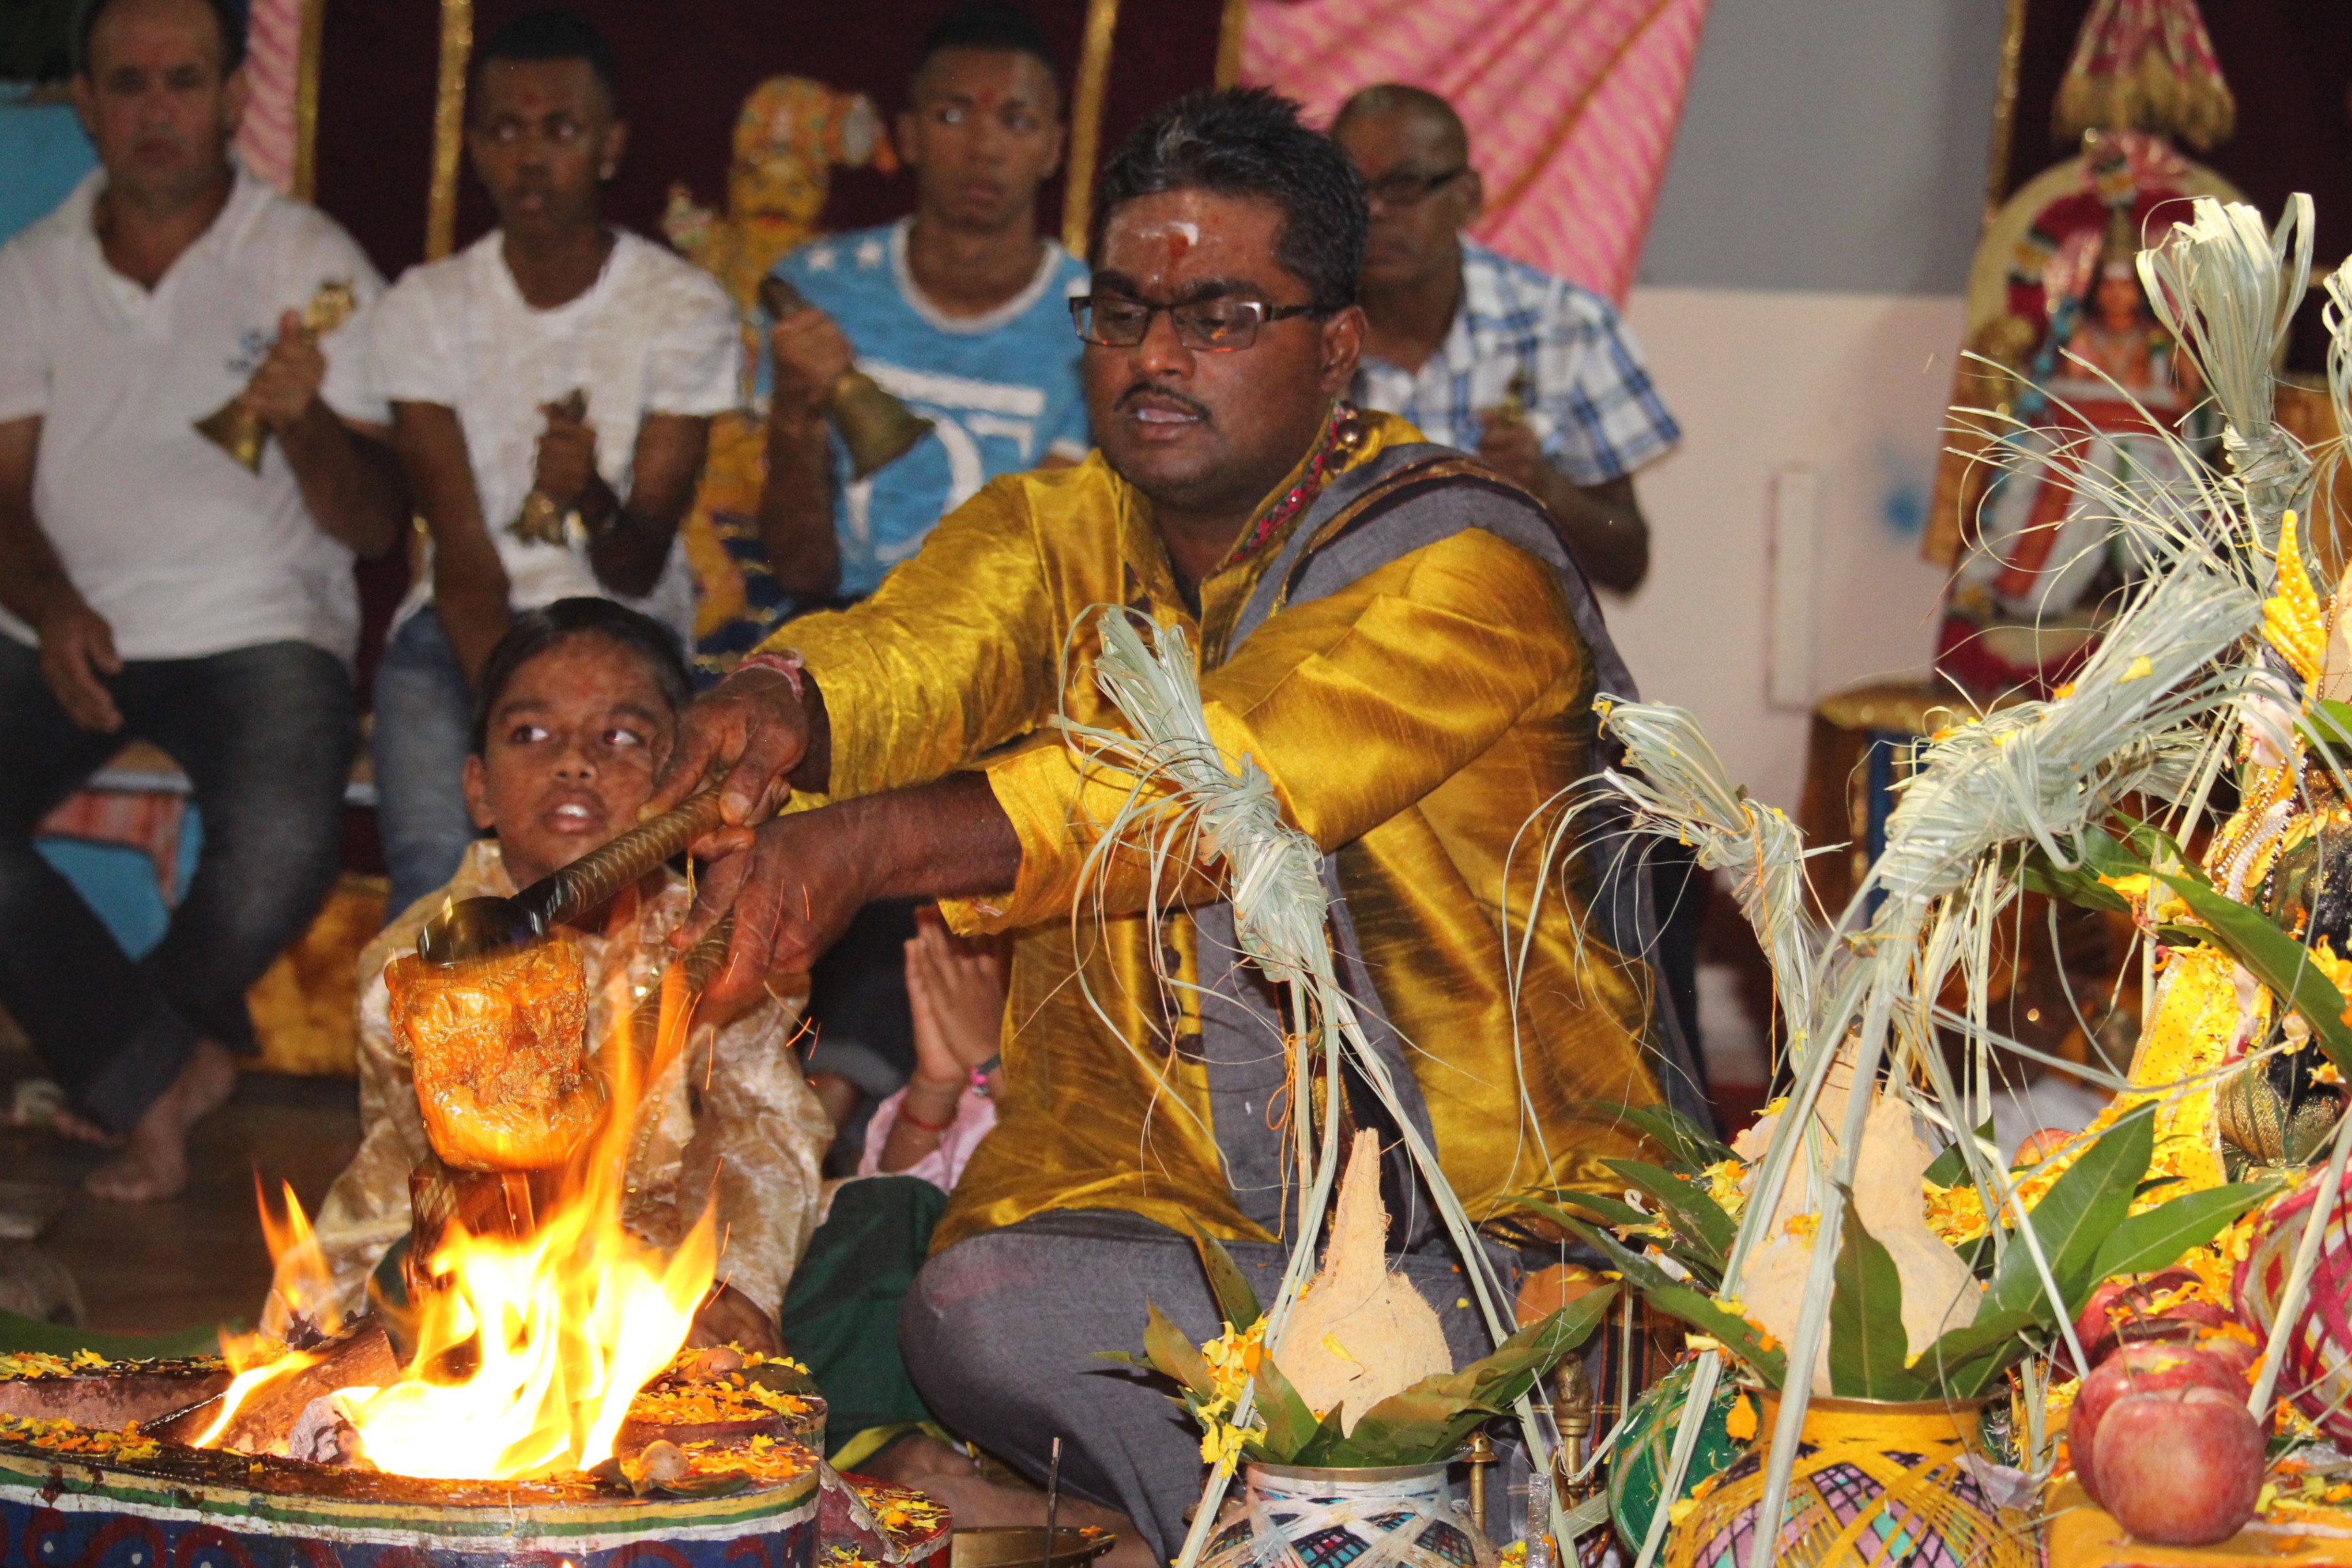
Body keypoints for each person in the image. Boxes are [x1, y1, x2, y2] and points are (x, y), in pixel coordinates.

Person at [646, 88, 1697, 1556]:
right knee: (973, 1307)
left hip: (1489, 1246)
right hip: (1196, 1231)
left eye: (1220, 316)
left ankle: (1341, 1521)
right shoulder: (1070, 529)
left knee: (1400, 1395)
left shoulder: (1461, 565)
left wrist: (860, 847)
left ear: (1337, 345)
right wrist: (776, 702)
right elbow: (928, 639)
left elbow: (1208, 785)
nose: (1154, 357)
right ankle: (1252, 1527)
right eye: (1124, 309)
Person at [0, 0, 405, 1201]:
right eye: (127, 84)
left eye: (183, 80)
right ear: (85, 101)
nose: (155, 109)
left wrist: (306, 419)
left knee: (281, 846)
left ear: (235, 94)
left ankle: (140, 1070)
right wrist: (53, 600)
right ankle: (164, 1072)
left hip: (258, 625)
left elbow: (375, 522)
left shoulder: (314, 262)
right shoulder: (27, 273)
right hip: (61, 624)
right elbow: (1, 498)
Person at [278, 598, 832, 1352]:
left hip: (681, 1245)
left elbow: (763, 1124)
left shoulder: (718, 924)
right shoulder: (419, 965)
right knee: (433, 1307)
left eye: (622, 736)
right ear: (477, 788)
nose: (575, 760)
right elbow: (492, 1194)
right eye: (531, 734)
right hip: (469, 1255)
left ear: (687, 777)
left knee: (879, 1229)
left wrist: (734, 1281)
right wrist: (637, 1285)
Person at [756, 0, 1089, 1158]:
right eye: (953, 113)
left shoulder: (1099, 320)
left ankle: (841, 1100)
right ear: (906, 131)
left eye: (1014, 119)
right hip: (841, 634)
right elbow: (795, 562)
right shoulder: (818, 287)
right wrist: (799, 414)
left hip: (1015, 662)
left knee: (934, 783)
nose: (983, 145)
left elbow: (1060, 579)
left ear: (1053, 141)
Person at [370, 8, 738, 921]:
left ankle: (616, 1063)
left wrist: (593, 497)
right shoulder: (425, 305)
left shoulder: (681, 305)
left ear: (609, 145)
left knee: (625, 896)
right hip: (457, 632)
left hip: (625, 625)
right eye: (504, 131)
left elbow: (638, 561)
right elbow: (461, 555)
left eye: (560, 131)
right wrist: (516, 721)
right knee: (434, 885)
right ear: (474, 148)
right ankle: (440, 1061)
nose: (530, 158)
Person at [1328, 84, 1678, 594]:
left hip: (1504, 658)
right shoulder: (1296, 330)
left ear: (1467, 197)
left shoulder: (1563, 326)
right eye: (1352, 190)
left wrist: (1545, 487)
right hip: (1330, 658)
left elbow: (1626, 557)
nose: (1375, 211)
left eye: (1404, 186)